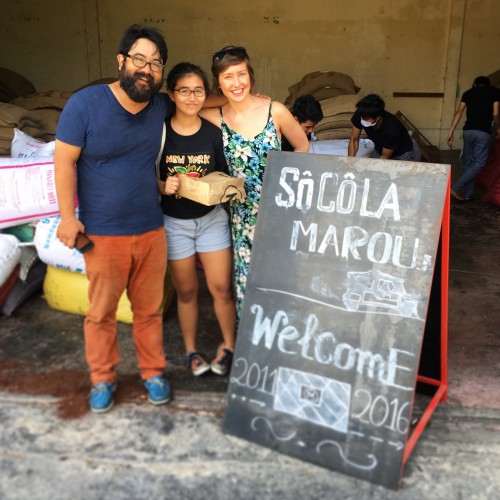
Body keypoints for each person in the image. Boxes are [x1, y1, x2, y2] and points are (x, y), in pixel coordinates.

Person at [54, 25, 173, 413]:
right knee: (102, 313)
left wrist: (251, 100)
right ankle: (102, 378)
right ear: (121, 61)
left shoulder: (160, 105)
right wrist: (67, 217)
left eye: (156, 63)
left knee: (149, 311)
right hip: (103, 235)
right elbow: (64, 161)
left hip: (152, 230)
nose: (147, 69)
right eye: (140, 59)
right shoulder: (85, 104)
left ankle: (153, 372)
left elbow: (198, 101)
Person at [200, 46, 309, 317]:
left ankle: (282, 344)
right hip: (243, 219)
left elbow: (302, 146)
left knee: (283, 282)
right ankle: (253, 351)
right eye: (227, 77)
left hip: (281, 214)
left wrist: (284, 186)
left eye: (241, 74)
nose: (236, 83)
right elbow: (184, 102)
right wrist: (219, 99)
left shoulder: (276, 111)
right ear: (218, 82)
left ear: (251, 75)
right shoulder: (216, 116)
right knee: (249, 285)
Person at [157, 62, 236, 377]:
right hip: (174, 224)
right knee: (187, 291)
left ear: (207, 94)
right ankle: (191, 351)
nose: (192, 97)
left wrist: (219, 188)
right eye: (184, 91)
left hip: (211, 220)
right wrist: (164, 185)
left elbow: (222, 173)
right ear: (172, 94)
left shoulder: (213, 133)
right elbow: (145, 175)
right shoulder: (160, 132)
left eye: (198, 91)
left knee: (221, 288)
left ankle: (229, 346)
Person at [447, 76, 500, 201]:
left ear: (475, 84)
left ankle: (468, 194)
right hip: (483, 132)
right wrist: (498, 128)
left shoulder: (468, 93)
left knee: (468, 163)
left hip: (468, 132)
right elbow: (496, 113)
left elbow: (459, 112)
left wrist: (451, 131)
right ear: (488, 84)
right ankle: (455, 187)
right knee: (479, 163)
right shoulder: (495, 92)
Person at [348, 93, 415, 160]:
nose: (362, 120)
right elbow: (354, 140)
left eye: (366, 119)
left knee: (381, 170)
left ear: (378, 118)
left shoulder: (392, 129)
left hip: (401, 154)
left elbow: (384, 157)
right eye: (362, 117)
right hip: (380, 149)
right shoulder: (362, 114)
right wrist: (350, 161)